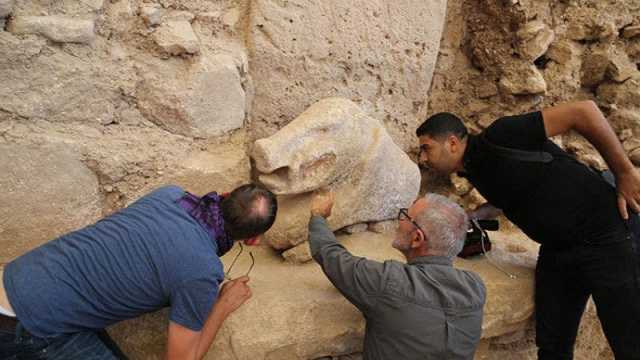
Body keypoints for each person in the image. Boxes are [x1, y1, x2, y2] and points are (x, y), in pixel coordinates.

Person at [416, 100, 640, 359]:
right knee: (552, 348)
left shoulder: (502, 135)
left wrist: (624, 173)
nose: (422, 158)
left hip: (607, 237)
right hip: (558, 250)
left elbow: (584, 112)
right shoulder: (475, 169)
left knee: (630, 345)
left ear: (452, 142)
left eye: (426, 148)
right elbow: (511, 194)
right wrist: (475, 215)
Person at [0, 183, 278, 360]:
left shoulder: (169, 195)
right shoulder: (201, 272)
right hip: (27, 329)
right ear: (252, 240)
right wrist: (222, 306)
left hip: (14, 277)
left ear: (225, 194)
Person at [308, 191, 486, 360]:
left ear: (417, 238)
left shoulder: (390, 282)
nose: (399, 221)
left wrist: (318, 216)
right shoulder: (476, 287)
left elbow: (331, 256)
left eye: (405, 216)